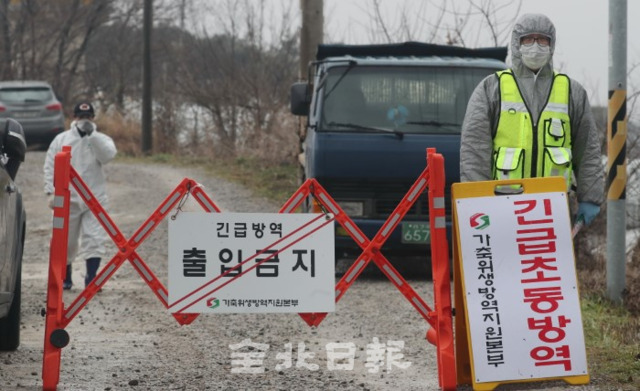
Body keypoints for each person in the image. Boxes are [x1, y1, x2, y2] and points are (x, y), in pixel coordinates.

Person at [460, 13, 604, 226]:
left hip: (554, 211)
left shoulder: (572, 92)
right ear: (516, 44)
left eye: (542, 40)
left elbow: (588, 150)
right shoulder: (491, 89)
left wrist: (590, 197)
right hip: (503, 207)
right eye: (528, 39)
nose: (535, 46)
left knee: (545, 262)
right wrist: (477, 198)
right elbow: (474, 149)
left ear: (552, 45)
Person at [44, 102, 117, 290]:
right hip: (68, 198)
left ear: (93, 118)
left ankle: (91, 278)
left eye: (87, 117)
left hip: (95, 198)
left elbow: (108, 156)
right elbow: (50, 165)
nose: (84, 121)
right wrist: (50, 191)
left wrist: (91, 136)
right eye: (81, 117)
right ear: (74, 117)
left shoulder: (101, 139)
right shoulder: (61, 140)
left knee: (95, 237)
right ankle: (65, 277)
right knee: (66, 240)